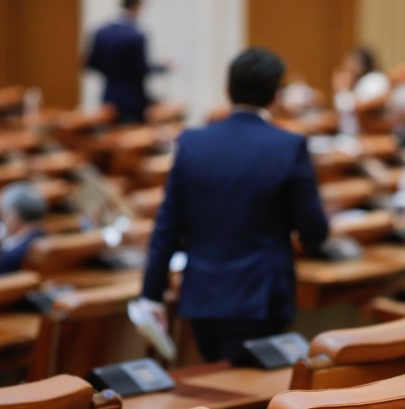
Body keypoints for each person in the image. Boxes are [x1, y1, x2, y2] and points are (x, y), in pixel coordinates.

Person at [138, 47, 329, 362]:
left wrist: (151, 296)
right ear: (275, 96)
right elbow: (314, 231)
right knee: (251, 398)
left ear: (227, 91)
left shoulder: (192, 143)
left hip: (203, 298)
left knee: (219, 387)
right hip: (261, 298)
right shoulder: (288, 146)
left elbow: (167, 227)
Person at [85, 0, 170, 123]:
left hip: (110, 94)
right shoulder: (135, 35)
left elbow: (91, 63)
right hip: (133, 98)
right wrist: (163, 68)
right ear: (137, 7)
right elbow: (141, 68)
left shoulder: (101, 32)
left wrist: (112, 74)